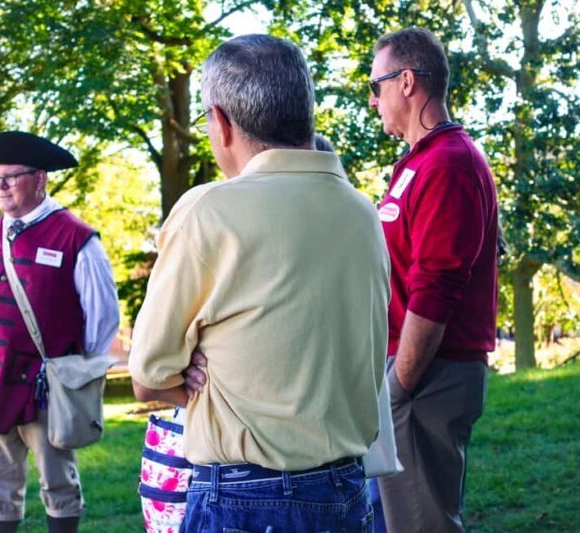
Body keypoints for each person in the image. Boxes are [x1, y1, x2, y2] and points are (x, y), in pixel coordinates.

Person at [128, 34, 390, 531]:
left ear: (221, 122)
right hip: (346, 490)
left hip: (244, 496)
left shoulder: (209, 211)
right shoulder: (363, 213)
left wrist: (218, 388)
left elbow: (147, 375)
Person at [367, 28, 499, 532]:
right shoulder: (421, 161)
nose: (373, 100)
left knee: (421, 527)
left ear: (405, 82)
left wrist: (399, 384)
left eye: (376, 86)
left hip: (427, 376)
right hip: (412, 372)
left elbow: (437, 284)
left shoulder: (449, 163)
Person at [0, 131, 119, 533]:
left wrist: (69, 369)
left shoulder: (75, 237)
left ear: (40, 178)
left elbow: (103, 317)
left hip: (44, 387)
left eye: (11, 177)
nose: (1, 186)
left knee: (58, 483)